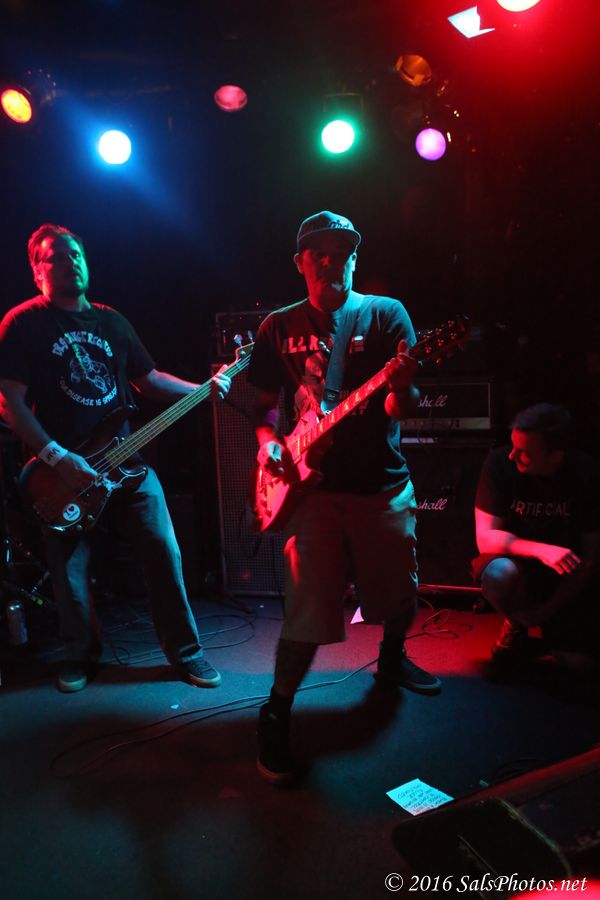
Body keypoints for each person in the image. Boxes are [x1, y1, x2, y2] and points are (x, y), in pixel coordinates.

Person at [247, 210, 441, 785]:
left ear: (355, 258)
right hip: (311, 492)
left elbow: (399, 408)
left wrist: (401, 389)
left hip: (381, 483)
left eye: (342, 251)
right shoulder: (276, 327)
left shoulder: (385, 314)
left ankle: (392, 659)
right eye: (320, 251)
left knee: (399, 593)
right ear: (300, 262)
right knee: (308, 610)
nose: (332, 260)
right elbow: (263, 407)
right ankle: (276, 710)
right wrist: (268, 444)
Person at [0, 223, 230, 693]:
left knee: (163, 547)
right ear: (37, 270)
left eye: (77, 253)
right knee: (69, 571)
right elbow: (8, 402)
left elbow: (149, 380)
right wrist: (58, 458)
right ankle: (80, 655)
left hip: (125, 463)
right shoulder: (23, 323)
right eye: (58, 255)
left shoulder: (112, 322)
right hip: (60, 474)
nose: (72, 261)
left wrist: (202, 390)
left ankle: (186, 652)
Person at [473, 403, 600, 668]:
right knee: (498, 574)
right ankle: (516, 623)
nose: (512, 456)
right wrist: (542, 550)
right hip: (520, 567)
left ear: (555, 456)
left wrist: (547, 611)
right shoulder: (499, 464)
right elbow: (485, 539)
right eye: (513, 446)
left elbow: (590, 560)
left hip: (567, 576)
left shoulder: (586, 474)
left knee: (577, 664)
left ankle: (552, 630)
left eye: (524, 452)